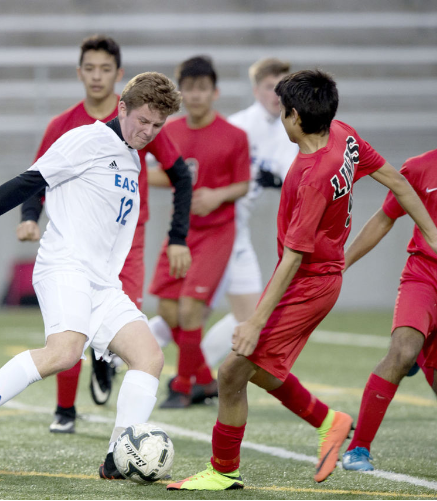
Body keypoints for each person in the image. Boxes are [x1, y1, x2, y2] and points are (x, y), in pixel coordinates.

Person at [167, 69, 437, 490]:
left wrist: (252, 321)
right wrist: (432, 235)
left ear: (295, 118)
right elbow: (397, 180)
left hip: (306, 282)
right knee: (254, 369)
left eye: (283, 111)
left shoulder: (311, 176)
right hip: (318, 278)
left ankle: (223, 470)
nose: (281, 117)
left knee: (231, 373)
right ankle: (329, 421)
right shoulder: (344, 135)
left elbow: (293, 257)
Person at [0, 72, 185, 479]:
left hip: (102, 283)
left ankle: (115, 460)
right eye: (142, 120)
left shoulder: (131, 154)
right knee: (65, 353)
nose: (148, 131)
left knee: (149, 358)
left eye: (157, 126)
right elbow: (26, 183)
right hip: (64, 266)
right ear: (121, 107)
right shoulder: (87, 139)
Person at [17, 35, 191, 433]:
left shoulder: (141, 119)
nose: (97, 76)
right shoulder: (63, 125)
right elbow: (37, 175)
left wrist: (178, 236)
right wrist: (30, 216)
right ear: (80, 73)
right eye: (90, 68)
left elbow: (180, 173)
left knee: (125, 324)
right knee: (67, 329)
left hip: (127, 240)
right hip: (77, 242)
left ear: (119, 76)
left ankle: (119, 423)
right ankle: (65, 410)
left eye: (105, 69)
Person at [341, 78, 437, 472]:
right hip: (423, 276)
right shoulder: (420, 167)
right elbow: (383, 220)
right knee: (401, 350)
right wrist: (341, 263)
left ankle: (424, 351)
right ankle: (358, 448)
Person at [148, 57, 298, 384]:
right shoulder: (238, 126)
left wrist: (219, 195)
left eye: (282, 87)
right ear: (256, 89)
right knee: (178, 311)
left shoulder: (282, 129)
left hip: (228, 232)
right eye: (270, 86)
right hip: (196, 230)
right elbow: (171, 170)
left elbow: (263, 180)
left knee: (240, 318)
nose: (277, 94)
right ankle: (192, 376)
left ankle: (191, 380)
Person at [148, 56, 250, 409]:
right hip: (181, 229)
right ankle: (205, 381)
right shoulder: (170, 131)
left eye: (202, 88)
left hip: (217, 232)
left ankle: (182, 383)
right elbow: (170, 175)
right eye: (188, 88)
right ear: (181, 92)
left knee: (191, 310)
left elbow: (243, 184)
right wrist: (139, 176)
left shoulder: (234, 136)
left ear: (215, 92)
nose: (195, 95)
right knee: (166, 308)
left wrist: (216, 195)